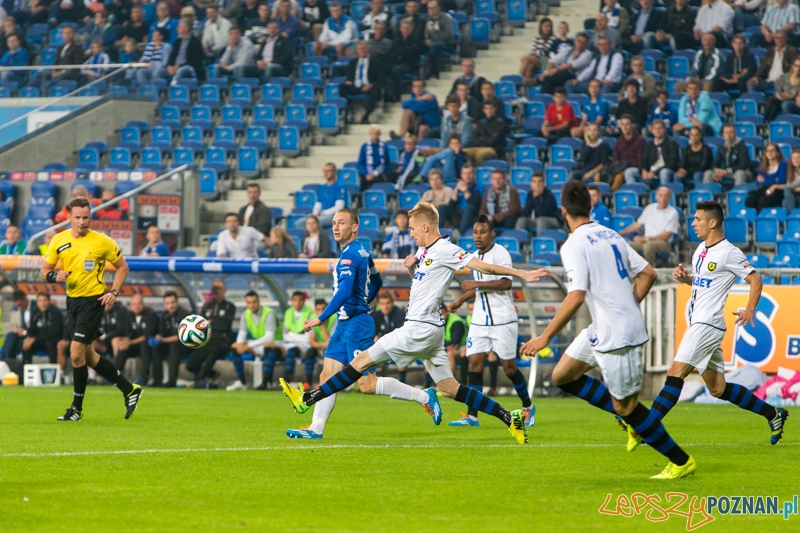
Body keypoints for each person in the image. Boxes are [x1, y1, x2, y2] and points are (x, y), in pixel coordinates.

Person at [281, 202, 550, 444]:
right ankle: (510, 417)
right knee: (450, 389)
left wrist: (521, 274)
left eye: (411, 228)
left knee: (359, 363)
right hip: (430, 330)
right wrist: (412, 269)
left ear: (425, 227)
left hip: (418, 328)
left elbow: (483, 267)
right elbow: (423, 287)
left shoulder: (445, 249)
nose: (410, 233)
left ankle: (308, 399)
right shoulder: (423, 250)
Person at [520, 180, 695, 479]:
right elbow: (648, 273)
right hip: (603, 326)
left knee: (626, 407)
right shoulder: (610, 234)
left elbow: (576, 295)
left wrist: (544, 337)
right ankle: (632, 421)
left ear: (563, 211)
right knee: (562, 375)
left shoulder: (573, 244)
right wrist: (626, 305)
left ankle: (681, 461)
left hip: (617, 334)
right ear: (590, 207)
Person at [284, 209, 443, 439]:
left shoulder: (350, 255)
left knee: (367, 385)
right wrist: (364, 302)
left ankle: (425, 396)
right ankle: (316, 428)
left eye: (342, 223)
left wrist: (321, 318)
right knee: (327, 376)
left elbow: (345, 290)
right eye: (334, 223)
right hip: (345, 324)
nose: (336, 227)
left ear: (354, 227)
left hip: (357, 325)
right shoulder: (362, 252)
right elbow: (377, 281)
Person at [648, 201, 787, 449]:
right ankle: (773, 413)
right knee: (717, 389)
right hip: (700, 322)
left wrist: (750, 310)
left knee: (675, 372)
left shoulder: (728, 252)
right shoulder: (700, 249)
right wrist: (686, 279)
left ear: (712, 223)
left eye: (698, 219)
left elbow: (755, 281)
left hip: (707, 324)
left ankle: (644, 425)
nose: (693, 223)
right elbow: (704, 282)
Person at [41, 197, 139, 422]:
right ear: (69, 217)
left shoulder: (102, 241)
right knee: (89, 356)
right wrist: (55, 275)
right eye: (77, 217)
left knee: (75, 353)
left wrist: (114, 292)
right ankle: (129, 389)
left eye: (86, 217)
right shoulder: (58, 240)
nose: (82, 222)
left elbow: (123, 267)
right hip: (72, 302)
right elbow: (45, 271)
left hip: (93, 301)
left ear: (90, 217)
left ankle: (76, 409)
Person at [446, 215, 534, 428]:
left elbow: (506, 283)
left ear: (492, 234)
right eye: (475, 232)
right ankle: (472, 416)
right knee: (474, 364)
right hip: (479, 321)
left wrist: (476, 284)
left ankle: (527, 406)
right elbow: (477, 287)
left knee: (509, 368)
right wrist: (460, 300)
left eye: (483, 232)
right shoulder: (474, 257)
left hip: (503, 320)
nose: (478, 236)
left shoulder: (501, 254)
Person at [185, 279, 236, 387]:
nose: (217, 290)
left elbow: (225, 325)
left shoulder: (229, 306)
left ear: (225, 290)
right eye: (214, 288)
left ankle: (198, 381)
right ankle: (212, 375)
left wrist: (210, 322)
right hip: (207, 341)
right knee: (190, 365)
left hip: (222, 341)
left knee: (212, 354)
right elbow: (199, 324)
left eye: (219, 288)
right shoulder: (207, 306)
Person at [227, 290, 279, 391]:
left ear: (259, 302)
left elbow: (269, 337)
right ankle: (242, 382)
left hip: (277, 344)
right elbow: (242, 333)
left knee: (268, 348)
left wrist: (248, 345)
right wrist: (239, 345)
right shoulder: (245, 314)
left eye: (254, 302)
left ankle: (267, 382)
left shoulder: (269, 313)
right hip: (259, 345)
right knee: (235, 348)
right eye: (249, 302)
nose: (252, 305)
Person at [619, 187, 680, 265]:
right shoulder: (649, 208)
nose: (663, 198)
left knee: (648, 246)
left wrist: (646, 239)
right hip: (646, 241)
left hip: (663, 243)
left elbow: (666, 236)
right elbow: (637, 224)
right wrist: (622, 233)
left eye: (666, 196)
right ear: (656, 196)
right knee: (627, 246)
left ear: (669, 198)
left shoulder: (673, 213)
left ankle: (650, 270)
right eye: (661, 195)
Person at [119, 294, 160, 386]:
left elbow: (146, 336)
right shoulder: (129, 315)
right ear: (130, 306)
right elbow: (127, 333)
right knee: (121, 346)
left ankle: (144, 378)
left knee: (144, 345)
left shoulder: (150, 314)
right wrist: (125, 342)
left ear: (143, 304)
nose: (136, 306)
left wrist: (130, 342)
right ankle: (116, 375)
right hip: (134, 346)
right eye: (134, 304)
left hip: (149, 346)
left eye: (139, 304)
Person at [152, 291, 190, 388]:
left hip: (186, 345)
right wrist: (157, 338)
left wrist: (162, 340)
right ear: (165, 304)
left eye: (172, 302)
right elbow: (161, 332)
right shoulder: (165, 315)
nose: (171, 306)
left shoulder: (185, 315)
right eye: (168, 303)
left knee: (174, 346)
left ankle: (172, 381)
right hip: (170, 344)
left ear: (177, 302)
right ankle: (157, 381)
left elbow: (180, 337)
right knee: (156, 348)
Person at [625, 120, 680, 186]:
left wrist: (654, 173)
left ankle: (663, 191)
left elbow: (672, 163)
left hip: (664, 170)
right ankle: (634, 191)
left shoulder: (672, 143)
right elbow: (644, 160)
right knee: (629, 172)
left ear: (664, 130)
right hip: (650, 170)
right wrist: (644, 170)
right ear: (652, 130)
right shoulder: (649, 144)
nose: (657, 130)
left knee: (664, 172)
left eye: (660, 128)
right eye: (655, 128)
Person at [339, 42, 383, 122]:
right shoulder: (352, 62)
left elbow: (381, 79)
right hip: (355, 86)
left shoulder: (376, 62)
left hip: (368, 86)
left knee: (376, 89)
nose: (362, 51)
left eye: (364, 48)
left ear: (368, 49)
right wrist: (348, 81)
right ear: (357, 50)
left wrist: (370, 85)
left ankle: (366, 115)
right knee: (342, 87)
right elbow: (349, 77)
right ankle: (347, 109)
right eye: (360, 49)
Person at [20, 292, 62, 373]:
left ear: (49, 301)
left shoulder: (55, 312)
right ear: (37, 302)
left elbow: (54, 333)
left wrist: (35, 339)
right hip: (39, 341)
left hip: (53, 340)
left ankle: (53, 372)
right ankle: (25, 372)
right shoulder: (35, 312)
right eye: (40, 301)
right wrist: (28, 338)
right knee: (25, 344)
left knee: (51, 343)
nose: (42, 303)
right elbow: (31, 330)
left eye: (45, 300)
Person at [747, 30, 797, 94]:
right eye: (777, 38)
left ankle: (775, 100)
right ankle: (754, 100)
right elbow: (763, 66)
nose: (779, 40)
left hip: (783, 81)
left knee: (779, 83)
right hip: (769, 81)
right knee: (751, 84)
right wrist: (756, 76)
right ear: (774, 39)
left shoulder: (792, 51)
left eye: (782, 38)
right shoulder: (770, 51)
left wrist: (783, 77)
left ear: (786, 39)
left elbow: (794, 68)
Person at [385, 19, 423, 102]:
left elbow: (413, 55)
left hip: (410, 65)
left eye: (407, 28)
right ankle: (385, 96)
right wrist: (400, 55)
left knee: (396, 70)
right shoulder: (397, 40)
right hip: (396, 64)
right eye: (403, 28)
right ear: (400, 29)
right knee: (383, 68)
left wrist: (400, 54)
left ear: (412, 28)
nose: (405, 30)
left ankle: (397, 96)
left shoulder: (416, 40)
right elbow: (389, 54)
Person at [746, 143, 788, 212]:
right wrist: (774, 179)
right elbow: (759, 183)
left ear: (777, 153)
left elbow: (780, 181)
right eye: (768, 151)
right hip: (764, 189)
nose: (770, 153)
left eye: (772, 150)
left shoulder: (783, 165)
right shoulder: (764, 167)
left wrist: (766, 180)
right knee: (750, 200)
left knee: (764, 201)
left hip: (777, 191)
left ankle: (762, 217)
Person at [466, 100, 508, 165]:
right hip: (479, 147)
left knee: (480, 155)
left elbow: (493, 141)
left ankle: (480, 171)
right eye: (486, 108)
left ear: (495, 109)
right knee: (463, 152)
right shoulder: (481, 123)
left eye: (491, 108)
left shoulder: (500, 123)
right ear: (483, 110)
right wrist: (486, 138)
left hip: (493, 149)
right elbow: (475, 139)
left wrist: (482, 138)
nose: (489, 110)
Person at [611, 114, 646, 190]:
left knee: (627, 173)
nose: (624, 127)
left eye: (627, 124)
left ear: (633, 125)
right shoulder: (618, 141)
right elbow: (615, 159)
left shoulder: (640, 140)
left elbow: (640, 160)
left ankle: (629, 193)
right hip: (620, 168)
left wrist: (625, 166)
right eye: (622, 124)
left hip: (635, 169)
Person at [165, 19, 206, 83]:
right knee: (159, 72)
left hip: (189, 68)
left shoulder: (195, 42)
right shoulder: (178, 41)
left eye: (179, 26)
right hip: (175, 67)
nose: (177, 28)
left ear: (186, 28)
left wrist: (179, 66)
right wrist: (169, 66)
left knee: (180, 71)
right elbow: (172, 56)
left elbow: (196, 61)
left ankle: (175, 86)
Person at [423, 0, 455, 79]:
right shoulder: (427, 20)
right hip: (431, 43)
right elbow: (426, 33)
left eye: (433, 8)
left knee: (433, 46)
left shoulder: (445, 18)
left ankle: (435, 72)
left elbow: (448, 34)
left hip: (446, 44)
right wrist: (426, 39)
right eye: (429, 8)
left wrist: (432, 40)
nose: (431, 10)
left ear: (438, 8)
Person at [311, 163, 348, 228]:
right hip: (322, 215)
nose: (326, 173)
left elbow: (339, 207)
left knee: (313, 223)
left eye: (329, 171)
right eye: (324, 171)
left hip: (335, 216)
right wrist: (315, 214)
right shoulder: (321, 187)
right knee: (300, 223)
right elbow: (318, 204)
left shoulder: (340, 186)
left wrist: (322, 213)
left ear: (335, 172)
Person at [520, 17, 555, 83]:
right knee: (530, 66)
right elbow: (533, 51)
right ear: (541, 27)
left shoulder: (553, 39)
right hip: (537, 60)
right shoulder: (537, 38)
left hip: (547, 62)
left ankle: (518, 78)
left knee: (526, 58)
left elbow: (545, 52)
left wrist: (535, 54)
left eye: (550, 26)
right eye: (546, 26)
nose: (548, 28)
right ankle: (526, 84)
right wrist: (535, 54)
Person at [2, 290, 30, 363]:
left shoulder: (35, 308)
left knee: (14, 343)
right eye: (17, 306)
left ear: (25, 299)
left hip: (31, 335)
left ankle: (6, 362)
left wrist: (24, 332)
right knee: (10, 336)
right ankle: (4, 361)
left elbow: (35, 327)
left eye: (20, 305)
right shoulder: (22, 309)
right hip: (23, 334)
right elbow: (24, 325)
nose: (19, 308)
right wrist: (18, 329)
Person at [783, 148, 800, 212]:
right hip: (796, 194)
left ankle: (792, 214)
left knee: (787, 191)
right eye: (793, 158)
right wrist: (795, 188)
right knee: (785, 201)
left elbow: (791, 185)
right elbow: (790, 185)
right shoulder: (792, 171)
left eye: (798, 157)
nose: (796, 160)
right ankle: (792, 214)